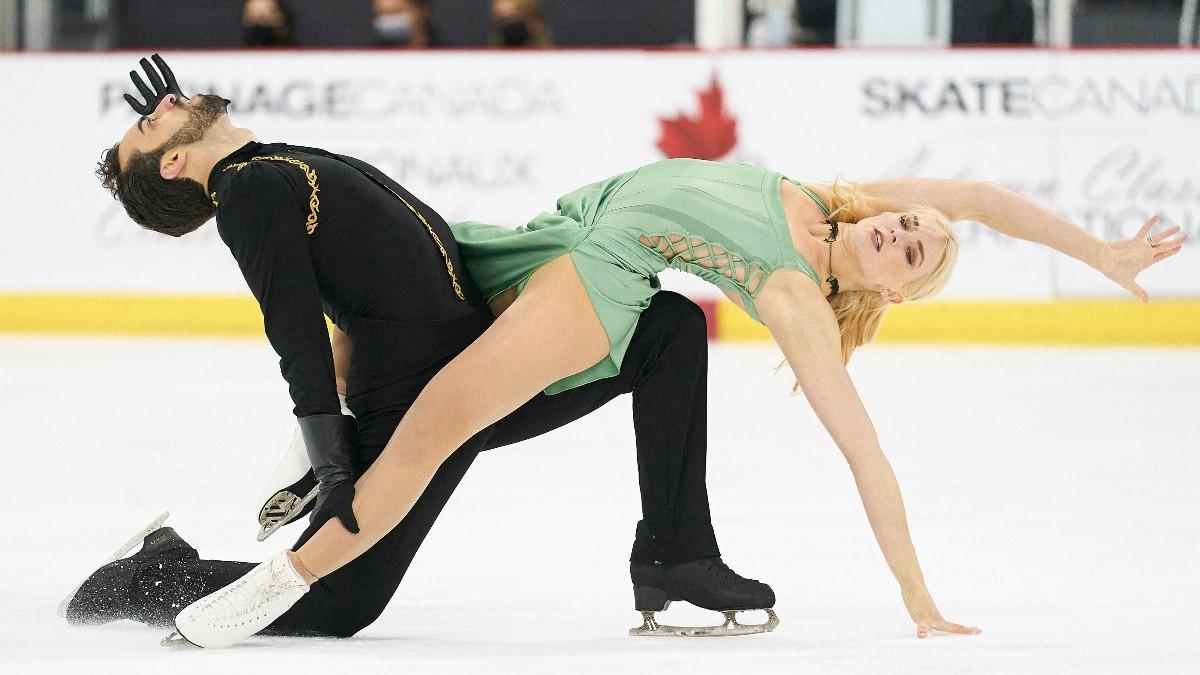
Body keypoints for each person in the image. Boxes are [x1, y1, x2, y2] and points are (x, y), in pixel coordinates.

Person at [169, 73, 1187, 647]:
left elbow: (864, 450)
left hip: (598, 281)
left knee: (433, 430)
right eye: (912, 226)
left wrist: (920, 602)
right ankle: (315, 453)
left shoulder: (796, 295)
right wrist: (1100, 253)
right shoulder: (833, 200)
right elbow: (985, 199)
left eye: (914, 258)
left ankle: (271, 586)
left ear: (887, 291)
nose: (908, 235)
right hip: (552, 234)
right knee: (383, 294)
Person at [66, 55, 775, 639]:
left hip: (485, 356)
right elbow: (294, 329)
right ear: (175, 163)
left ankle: (676, 552)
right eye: (148, 126)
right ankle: (145, 575)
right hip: (412, 398)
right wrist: (328, 455)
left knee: (666, 330)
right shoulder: (247, 191)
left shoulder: (263, 164)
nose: (156, 107)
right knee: (339, 602)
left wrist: (174, 117)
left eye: (152, 112)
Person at [373, 0, 440, 48]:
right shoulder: (371, 58)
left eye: (395, 12)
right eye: (381, 14)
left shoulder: (445, 56)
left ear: (421, 11)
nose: (387, 20)